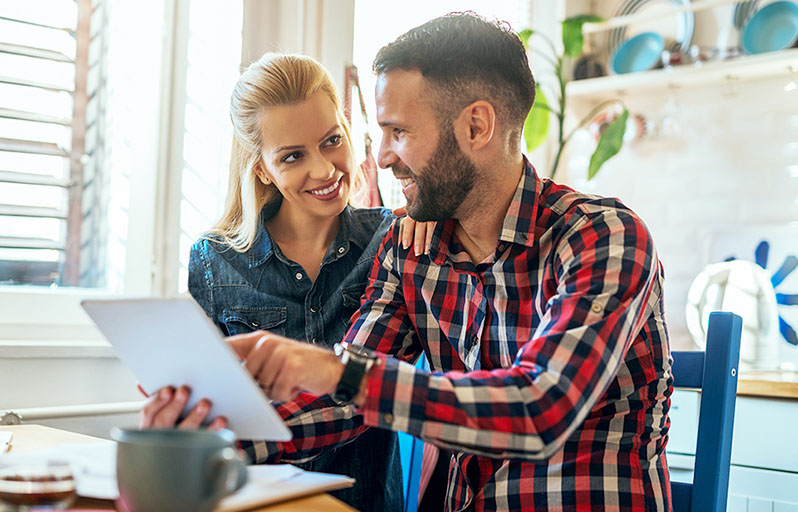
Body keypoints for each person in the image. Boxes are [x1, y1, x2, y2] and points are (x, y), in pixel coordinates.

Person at [224, 12, 674, 512]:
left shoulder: (600, 237)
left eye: (399, 131)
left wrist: (338, 371)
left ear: (476, 126)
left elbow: (540, 409)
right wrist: (218, 434)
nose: (385, 157)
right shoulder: (411, 250)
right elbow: (343, 403)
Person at [138, 52, 432, 512]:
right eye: (293, 156)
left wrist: (432, 211)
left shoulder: (393, 238)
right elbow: (208, 402)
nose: (324, 170)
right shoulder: (213, 261)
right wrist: (178, 420)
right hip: (252, 501)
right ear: (261, 168)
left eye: (332, 140)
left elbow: (371, 387)